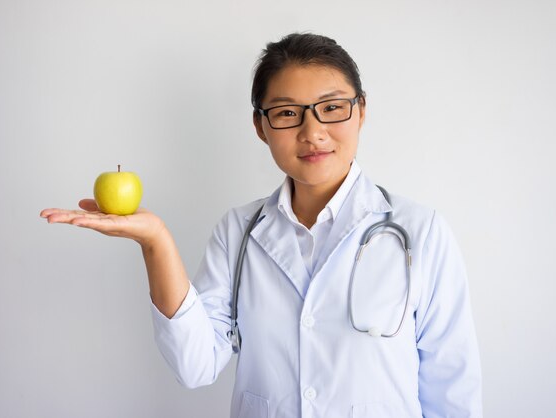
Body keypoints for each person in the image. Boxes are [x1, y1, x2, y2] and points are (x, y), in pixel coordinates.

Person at [41, 33, 482, 417]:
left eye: (331, 108)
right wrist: (155, 242)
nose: (313, 132)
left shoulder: (421, 232)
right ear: (260, 125)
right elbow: (195, 366)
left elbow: (453, 387)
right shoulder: (239, 231)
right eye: (288, 113)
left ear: (361, 111)